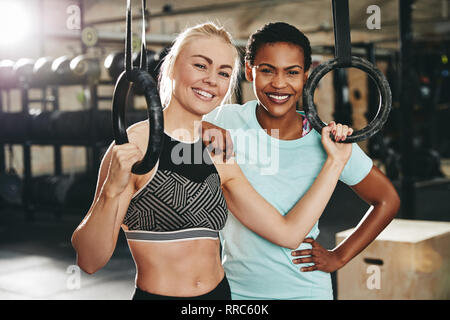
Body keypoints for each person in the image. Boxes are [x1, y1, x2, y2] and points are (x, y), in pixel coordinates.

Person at [71, 22, 353, 300]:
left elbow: (288, 233)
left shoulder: (217, 149)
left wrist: (335, 163)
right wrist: (110, 191)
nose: (211, 80)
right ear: (172, 68)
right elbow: (89, 260)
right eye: (200, 66)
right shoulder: (136, 144)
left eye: (223, 72)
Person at [202, 22, 400, 300]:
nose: (279, 83)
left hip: (305, 291)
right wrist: (199, 128)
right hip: (235, 291)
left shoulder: (329, 141)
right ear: (249, 71)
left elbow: (387, 199)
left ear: (307, 75)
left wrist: (339, 257)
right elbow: (171, 125)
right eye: (267, 70)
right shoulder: (223, 120)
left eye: (292, 72)